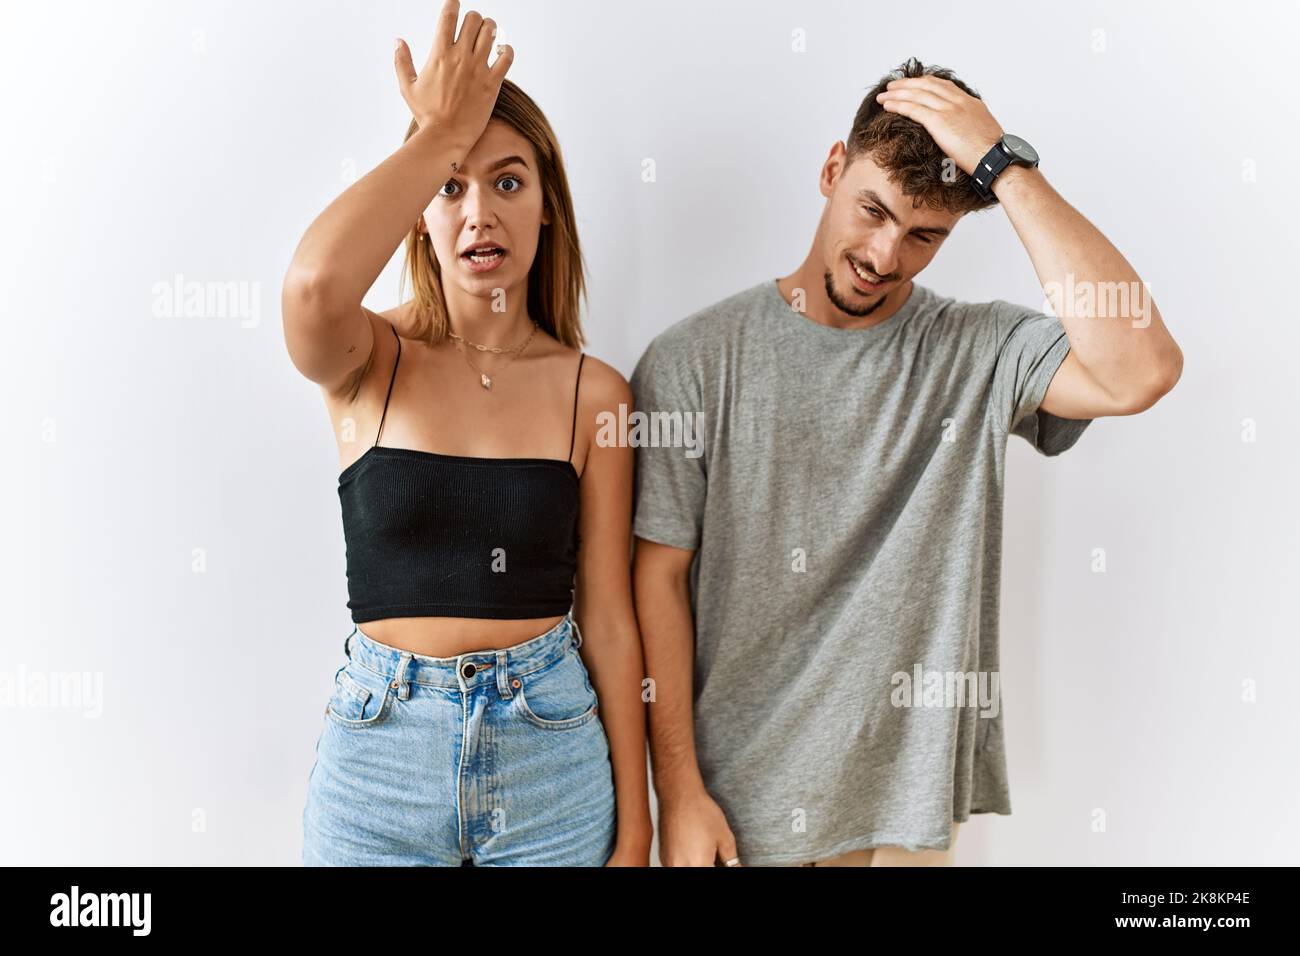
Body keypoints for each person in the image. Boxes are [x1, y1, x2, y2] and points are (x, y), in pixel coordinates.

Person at [630, 57, 1182, 867]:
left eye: (925, 234)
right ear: (830, 168)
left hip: (903, 821)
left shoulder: (978, 350)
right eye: (872, 210)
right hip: (740, 813)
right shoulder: (693, 362)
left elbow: (1143, 368)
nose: (886, 255)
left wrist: (1009, 169)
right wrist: (677, 792)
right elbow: (656, 584)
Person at [284, 0, 651, 866]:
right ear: (418, 209)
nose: (479, 212)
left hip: (551, 758)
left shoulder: (593, 392)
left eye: (508, 181)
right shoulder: (366, 357)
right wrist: (433, 135)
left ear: (547, 208)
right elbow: (308, 289)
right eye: (452, 185)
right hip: (380, 764)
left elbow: (608, 613)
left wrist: (636, 828)